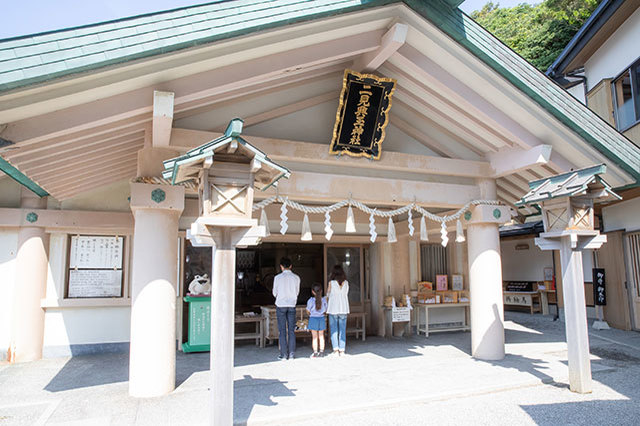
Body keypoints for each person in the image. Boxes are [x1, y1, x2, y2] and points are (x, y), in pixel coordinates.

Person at [272, 257, 300, 360]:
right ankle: (292, 354)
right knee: (291, 330)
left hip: (281, 305)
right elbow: (297, 292)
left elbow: (274, 293)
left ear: (281, 267)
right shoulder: (296, 277)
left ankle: (283, 355)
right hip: (292, 305)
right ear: (291, 266)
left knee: (282, 330)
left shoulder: (277, 278)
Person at [326, 264, 349, 356]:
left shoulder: (331, 283)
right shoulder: (346, 283)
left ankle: (335, 350)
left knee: (334, 330)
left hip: (333, 308)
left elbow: (328, 295)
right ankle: (342, 350)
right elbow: (346, 294)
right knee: (342, 330)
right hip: (343, 308)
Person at [306, 283, 328, 358]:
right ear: (321, 291)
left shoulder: (310, 301)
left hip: (313, 319)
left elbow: (308, 311)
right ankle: (321, 352)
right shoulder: (324, 300)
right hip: (321, 319)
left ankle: (315, 353)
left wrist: (311, 314)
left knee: (314, 337)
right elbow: (326, 310)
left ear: (312, 291)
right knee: (321, 336)